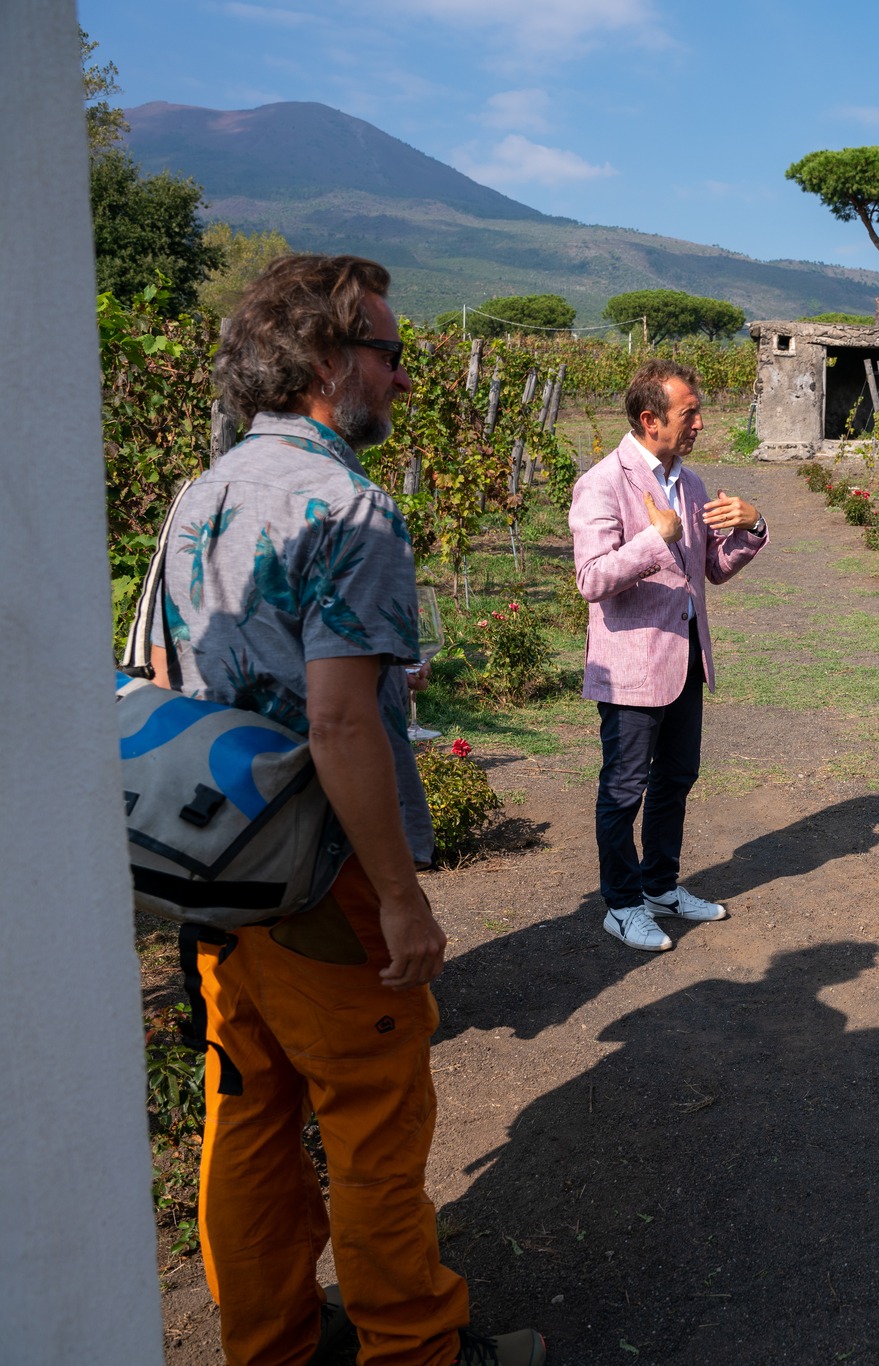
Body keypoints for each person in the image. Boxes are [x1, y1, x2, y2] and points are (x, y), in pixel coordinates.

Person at [155, 254, 542, 1365]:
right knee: (372, 1125)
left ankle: (266, 1340)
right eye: (389, 352)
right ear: (328, 362)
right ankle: (415, 1346)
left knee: (249, 1117)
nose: (404, 378)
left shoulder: (204, 490)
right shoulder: (349, 508)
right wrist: (404, 900)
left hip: (211, 861)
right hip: (317, 870)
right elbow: (336, 727)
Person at [571, 358, 767, 953]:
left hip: (684, 658)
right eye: (690, 413)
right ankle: (621, 903)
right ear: (651, 419)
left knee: (677, 777)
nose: (701, 423)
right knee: (624, 788)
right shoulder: (603, 483)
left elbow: (711, 569)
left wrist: (752, 529)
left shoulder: (693, 483)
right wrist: (654, 540)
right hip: (631, 664)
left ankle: (659, 886)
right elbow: (592, 578)